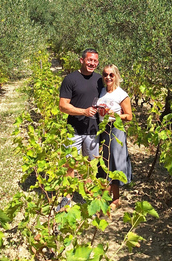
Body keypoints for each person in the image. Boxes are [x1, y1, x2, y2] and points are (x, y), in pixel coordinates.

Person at [56, 48, 104, 212]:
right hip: (74, 130)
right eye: (90, 60)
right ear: (82, 60)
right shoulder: (70, 79)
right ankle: (66, 198)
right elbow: (63, 106)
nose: (93, 63)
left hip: (93, 131)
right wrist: (83, 111)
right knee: (71, 165)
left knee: (91, 166)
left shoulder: (99, 79)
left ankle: (87, 196)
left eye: (95, 61)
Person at [96, 64, 132, 211]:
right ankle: (106, 196)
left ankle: (116, 199)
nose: (108, 77)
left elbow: (129, 116)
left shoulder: (121, 94)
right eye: (105, 75)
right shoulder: (101, 91)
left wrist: (114, 115)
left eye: (111, 75)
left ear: (116, 75)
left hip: (116, 130)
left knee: (115, 163)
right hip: (103, 130)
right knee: (104, 163)